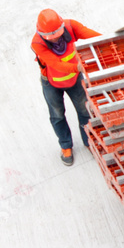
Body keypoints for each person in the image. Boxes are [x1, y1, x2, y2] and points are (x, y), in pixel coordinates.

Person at [31, 9, 100, 166]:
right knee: (57, 115)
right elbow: (56, 64)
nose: (55, 38)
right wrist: (79, 68)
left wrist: (110, 40)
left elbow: (92, 36)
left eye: (57, 33)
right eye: (50, 36)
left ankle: (89, 142)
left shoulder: (71, 27)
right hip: (51, 83)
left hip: (74, 80)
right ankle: (66, 146)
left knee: (84, 110)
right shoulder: (37, 43)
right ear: (41, 34)